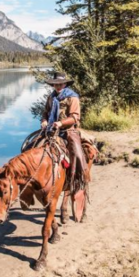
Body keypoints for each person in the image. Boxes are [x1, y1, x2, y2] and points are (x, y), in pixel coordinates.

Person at [39, 72, 88, 217]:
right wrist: (44, 121)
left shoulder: (73, 97)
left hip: (68, 131)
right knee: (30, 146)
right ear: (53, 85)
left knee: (78, 155)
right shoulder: (51, 97)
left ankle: (81, 176)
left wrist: (61, 123)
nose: (58, 86)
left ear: (65, 84)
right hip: (51, 131)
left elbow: (74, 117)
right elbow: (45, 113)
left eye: (60, 84)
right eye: (55, 84)